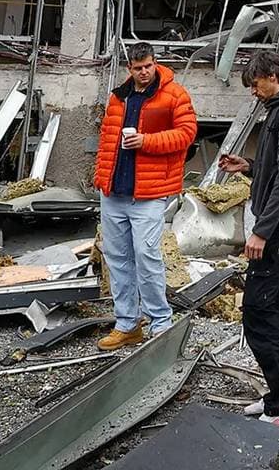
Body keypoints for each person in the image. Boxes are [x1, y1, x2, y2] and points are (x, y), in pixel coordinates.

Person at [216, 49, 279, 427]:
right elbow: (275, 171)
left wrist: (260, 231)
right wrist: (250, 168)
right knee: (276, 303)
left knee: (257, 310)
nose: (253, 92)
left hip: (276, 225)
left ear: (273, 75)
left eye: (255, 85)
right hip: (277, 222)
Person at [92, 42, 198, 350]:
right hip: (113, 193)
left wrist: (146, 141)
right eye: (138, 68)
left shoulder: (174, 95)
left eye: (148, 66)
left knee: (147, 256)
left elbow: (187, 134)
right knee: (118, 259)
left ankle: (160, 323)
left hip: (150, 194)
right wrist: (101, 177)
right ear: (129, 68)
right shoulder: (118, 97)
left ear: (155, 64)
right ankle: (127, 324)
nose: (143, 72)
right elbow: (107, 140)